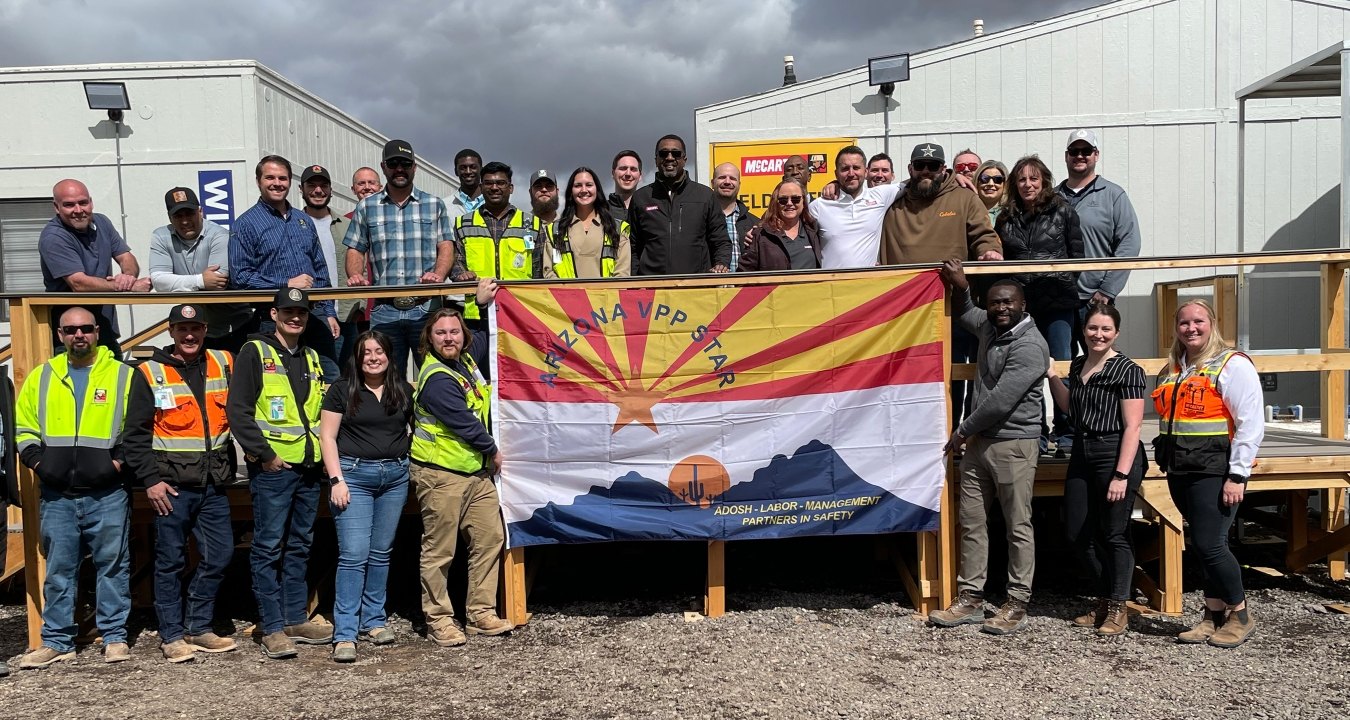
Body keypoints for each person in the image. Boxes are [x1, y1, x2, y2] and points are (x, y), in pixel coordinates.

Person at [930, 260, 1049, 636]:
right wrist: (962, 288)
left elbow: (1000, 401)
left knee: (1017, 525)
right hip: (980, 442)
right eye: (995, 302)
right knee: (972, 522)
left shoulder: (1031, 345)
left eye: (1007, 302)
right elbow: (966, 312)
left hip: (1014, 442)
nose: (1000, 308)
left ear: (1023, 305)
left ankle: (1017, 601)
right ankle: (971, 597)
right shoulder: (990, 327)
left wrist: (961, 431)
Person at [15, 307, 137, 668]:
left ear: (97, 332)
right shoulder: (42, 376)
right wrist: (39, 464)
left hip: (108, 492)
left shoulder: (121, 375)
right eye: (70, 330)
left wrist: (115, 464)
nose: (78, 335)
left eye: (85, 328)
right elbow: (24, 429)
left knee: (112, 566)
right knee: (59, 569)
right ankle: (56, 639)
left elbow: (137, 428)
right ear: (59, 335)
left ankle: (114, 636)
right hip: (57, 495)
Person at [123, 304, 239, 662]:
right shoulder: (149, 372)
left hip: (213, 483)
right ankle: (172, 635)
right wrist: (151, 481)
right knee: (169, 560)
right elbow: (135, 435)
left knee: (221, 554)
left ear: (205, 329)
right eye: (182, 329)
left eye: (196, 328)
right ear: (170, 332)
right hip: (170, 487)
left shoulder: (224, 362)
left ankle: (199, 626)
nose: (190, 336)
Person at [225, 288, 331, 658]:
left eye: (301, 312)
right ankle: (271, 626)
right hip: (274, 470)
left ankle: (292, 616)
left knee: (300, 544)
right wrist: (264, 455)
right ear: (274, 314)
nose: (295, 318)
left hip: (307, 468)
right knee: (268, 547)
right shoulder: (255, 352)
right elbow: (238, 410)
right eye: (288, 311)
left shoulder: (313, 357)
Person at [1153, 299, 1264, 648]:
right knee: (1203, 544)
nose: (1191, 328)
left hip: (1215, 470)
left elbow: (1251, 423)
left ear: (1212, 323)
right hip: (1181, 467)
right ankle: (1213, 614)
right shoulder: (1177, 366)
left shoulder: (1231, 365)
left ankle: (1240, 614)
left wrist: (1238, 474)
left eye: (1198, 321)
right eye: (1184, 323)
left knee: (1210, 544)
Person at [412, 281, 514, 646]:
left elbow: (488, 334)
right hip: (441, 475)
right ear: (430, 338)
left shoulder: (467, 361)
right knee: (440, 551)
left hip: (475, 473)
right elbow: (465, 424)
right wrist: (494, 449)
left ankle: (480, 613)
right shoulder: (436, 377)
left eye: (454, 331)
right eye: (441, 333)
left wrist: (479, 303)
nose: (449, 337)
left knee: (490, 539)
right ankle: (439, 618)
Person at [1046, 304, 1146, 636]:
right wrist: (1051, 377)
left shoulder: (1127, 369)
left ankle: (1118, 606)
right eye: (1092, 328)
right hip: (1082, 450)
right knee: (1077, 532)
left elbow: (1133, 427)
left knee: (1115, 533)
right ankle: (1106, 598)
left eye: (1105, 329)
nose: (1098, 335)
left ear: (1116, 333)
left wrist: (1121, 474)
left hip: (1115, 450)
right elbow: (1070, 408)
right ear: (1084, 331)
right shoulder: (1078, 365)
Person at [319, 330, 413, 663]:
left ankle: (373, 619)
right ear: (357, 358)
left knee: (381, 552)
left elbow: (411, 429)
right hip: (353, 476)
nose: (373, 357)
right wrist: (336, 480)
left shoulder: (402, 390)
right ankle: (344, 632)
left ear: (389, 355)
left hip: (395, 475)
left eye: (379, 351)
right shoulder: (341, 390)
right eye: (365, 352)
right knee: (354, 554)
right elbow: (327, 437)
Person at [344, 140, 455, 378]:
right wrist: (355, 274)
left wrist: (439, 274)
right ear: (384, 167)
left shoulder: (434, 204)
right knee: (385, 380)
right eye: (394, 164)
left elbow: (446, 246)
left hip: (425, 308)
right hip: (385, 309)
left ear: (414, 167)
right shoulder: (367, 207)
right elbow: (355, 248)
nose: (399, 169)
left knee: (435, 376)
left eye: (405, 163)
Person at [997, 155, 1084, 457]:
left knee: (1061, 366)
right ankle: (1038, 431)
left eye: (1033, 178)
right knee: (1029, 368)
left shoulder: (1063, 210)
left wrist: (1059, 279)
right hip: (1022, 307)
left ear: (1044, 180)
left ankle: (1068, 431)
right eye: (1021, 179)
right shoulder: (1006, 217)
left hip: (1058, 300)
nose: (1028, 184)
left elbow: (1077, 255)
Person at [228, 155, 340, 381]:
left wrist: (328, 311)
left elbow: (320, 270)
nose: (277, 183)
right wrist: (286, 285)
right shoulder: (245, 224)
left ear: (290, 182)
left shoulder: (303, 220)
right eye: (270, 177)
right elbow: (240, 278)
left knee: (331, 376)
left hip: (312, 312)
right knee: (277, 380)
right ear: (258, 181)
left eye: (283, 178)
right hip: (272, 315)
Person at [40, 179, 152, 355]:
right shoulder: (53, 237)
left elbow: (127, 258)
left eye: (83, 202)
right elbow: (79, 284)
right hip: (70, 338)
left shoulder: (102, 222)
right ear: (56, 208)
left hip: (104, 331)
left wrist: (128, 277)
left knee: (116, 382)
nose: (78, 210)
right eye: (69, 205)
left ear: (91, 202)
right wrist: (125, 286)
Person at [148, 186, 254, 352]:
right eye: (178, 215)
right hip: (195, 330)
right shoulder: (160, 236)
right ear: (170, 218)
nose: (184, 221)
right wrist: (200, 280)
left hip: (235, 327)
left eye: (189, 213)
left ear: (200, 212)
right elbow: (159, 281)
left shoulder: (219, 234)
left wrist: (177, 283)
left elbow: (218, 282)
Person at [451, 161, 546, 326]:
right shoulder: (464, 223)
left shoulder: (532, 224)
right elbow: (456, 261)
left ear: (511, 188)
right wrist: (461, 274)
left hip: (520, 314)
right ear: (481, 187)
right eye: (488, 183)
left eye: (501, 183)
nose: (494, 187)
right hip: (477, 316)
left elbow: (540, 270)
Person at [878, 143, 1002, 266]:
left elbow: (983, 234)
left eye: (933, 166)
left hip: (947, 283)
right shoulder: (891, 200)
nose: (926, 171)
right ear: (910, 169)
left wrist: (990, 250)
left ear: (943, 169)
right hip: (901, 284)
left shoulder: (966, 198)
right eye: (919, 165)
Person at [627, 134, 731, 275]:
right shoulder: (641, 198)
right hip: (652, 287)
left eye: (676, 153)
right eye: (663, 153)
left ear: (684, 159)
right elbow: (633, 246)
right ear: (656, 159)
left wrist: (721, 264)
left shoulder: (705, 196)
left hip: (695, 287)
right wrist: (636, 280)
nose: (670, 157)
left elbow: (720, 240)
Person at [300, 164, 351, 376]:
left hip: (345, 315)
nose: (318, 190)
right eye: (312, 185)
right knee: (314, 374)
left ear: (330, 190)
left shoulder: (347, 224)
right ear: (301, 189)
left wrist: (358, 305)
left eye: (323, 186)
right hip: (309, 312)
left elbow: (361, 266)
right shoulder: (293, 223)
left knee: (346, 377)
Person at [543, 167, 631, 279]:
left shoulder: (618, 229)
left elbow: (622, 274)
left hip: (607, 296)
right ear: (571, 191)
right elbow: (549, 273)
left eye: (589, 185)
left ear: (597, 189)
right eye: (578, 185)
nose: (584, 190)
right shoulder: (554, 231)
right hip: (568, 296)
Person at [337, 167, 385, 369]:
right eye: (361, 184)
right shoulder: (344, 221)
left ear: (380, 187)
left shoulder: (392, 218)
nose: (367, 187)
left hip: (383, 304)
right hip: (355, 309)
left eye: (371, 183)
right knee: (356, 362)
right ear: (353, 189)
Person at [738, 178, 820, 272]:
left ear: (804, 202)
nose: (789, 203)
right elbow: (744, 274)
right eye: (783, 200)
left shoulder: (814, 230)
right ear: (775, 203)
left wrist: (834, 184)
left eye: (795, 199)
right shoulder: (760, 235)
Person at [712, 162, 757, 272]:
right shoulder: (700, 220)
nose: (727, 182)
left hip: (744, 286)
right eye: (722, 177)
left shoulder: (754, 223)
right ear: (712, 183)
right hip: (711, 286)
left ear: (739, 185)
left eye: (732, 178)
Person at [450, 149, 485, 220]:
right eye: (463, 168)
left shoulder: (494, 204)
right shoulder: (445, 206)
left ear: (481, 170)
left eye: (473, 167)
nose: (468, 172)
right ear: (456, 171)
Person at [973, 160, 1008, 227]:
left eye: (997, 179)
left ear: (1005, 184)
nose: (990, 184)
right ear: (977, 182)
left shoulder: (1012, 213)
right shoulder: (969, 211)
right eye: (985, 178)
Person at [608, 150, 642, 218]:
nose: (628, 174)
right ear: (613, 173)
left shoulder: (649, 211)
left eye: (633, 169)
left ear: (640, 176)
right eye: (623, 168)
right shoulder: (600, 211)